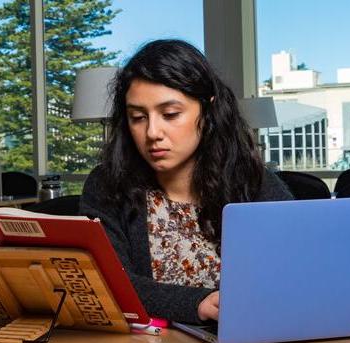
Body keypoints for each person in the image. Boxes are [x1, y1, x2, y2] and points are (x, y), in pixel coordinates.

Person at [79, 39, 293, 324]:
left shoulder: (254, 183)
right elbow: (109, 282)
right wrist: (197, 304)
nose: (153, 132)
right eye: (138, 117)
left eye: (170, 114)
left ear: (208, 109)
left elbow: (295, 271)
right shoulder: (108, 185)